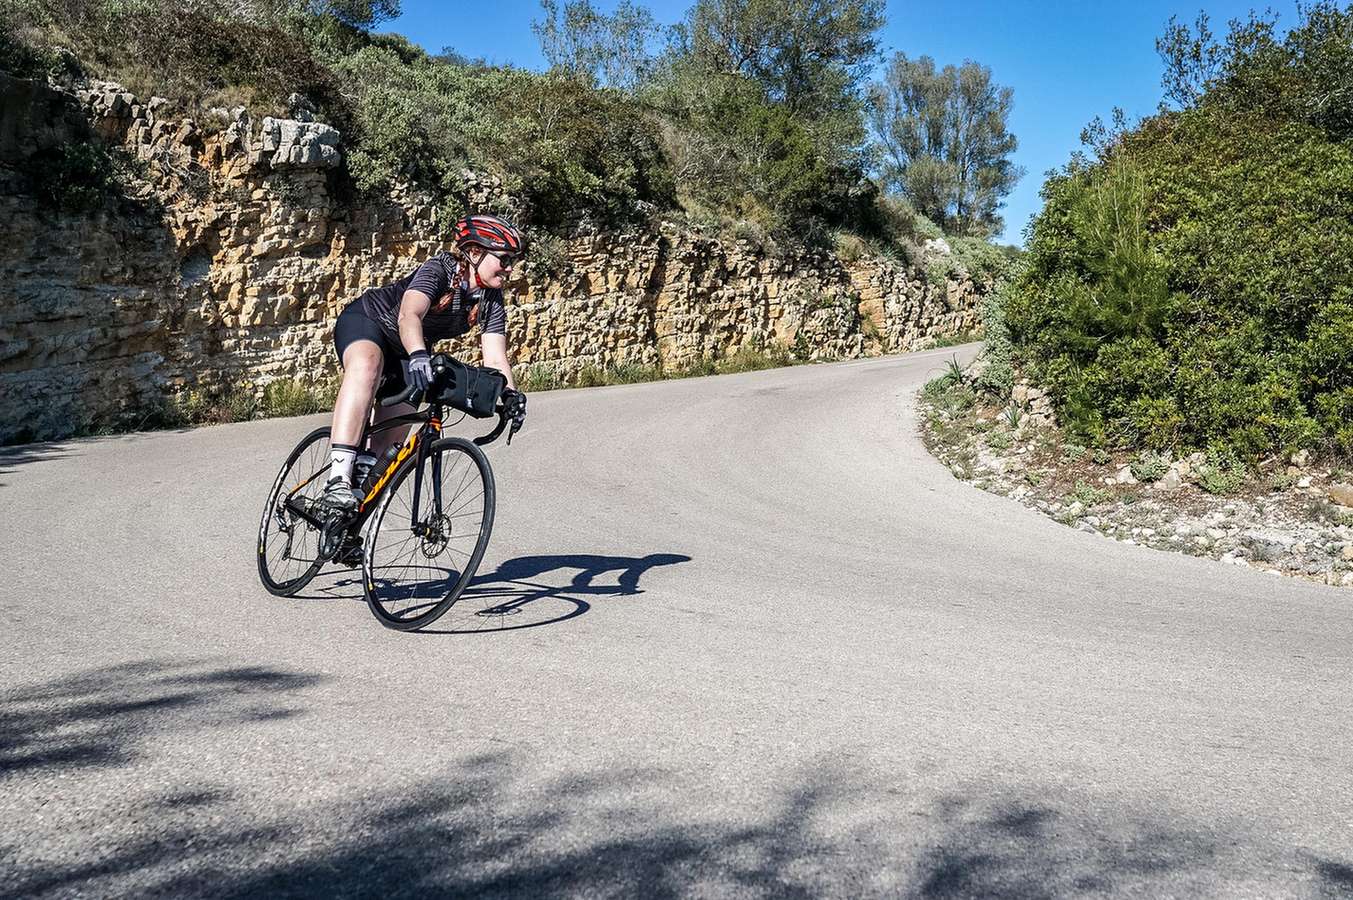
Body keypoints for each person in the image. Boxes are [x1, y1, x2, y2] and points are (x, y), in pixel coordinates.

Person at [321, 213, 528, 511]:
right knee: (367, 365)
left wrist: (509, 395)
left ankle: (350, 515)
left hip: (410, 350)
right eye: (504, 259)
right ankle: (338, 478)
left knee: (385, 454)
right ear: (474, 252)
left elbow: (495, 356)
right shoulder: (440, 270)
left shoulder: (491, 298)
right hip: (370, 323)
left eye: (513, 261)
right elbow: (409, 315)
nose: (510, 268)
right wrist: (419, 354)